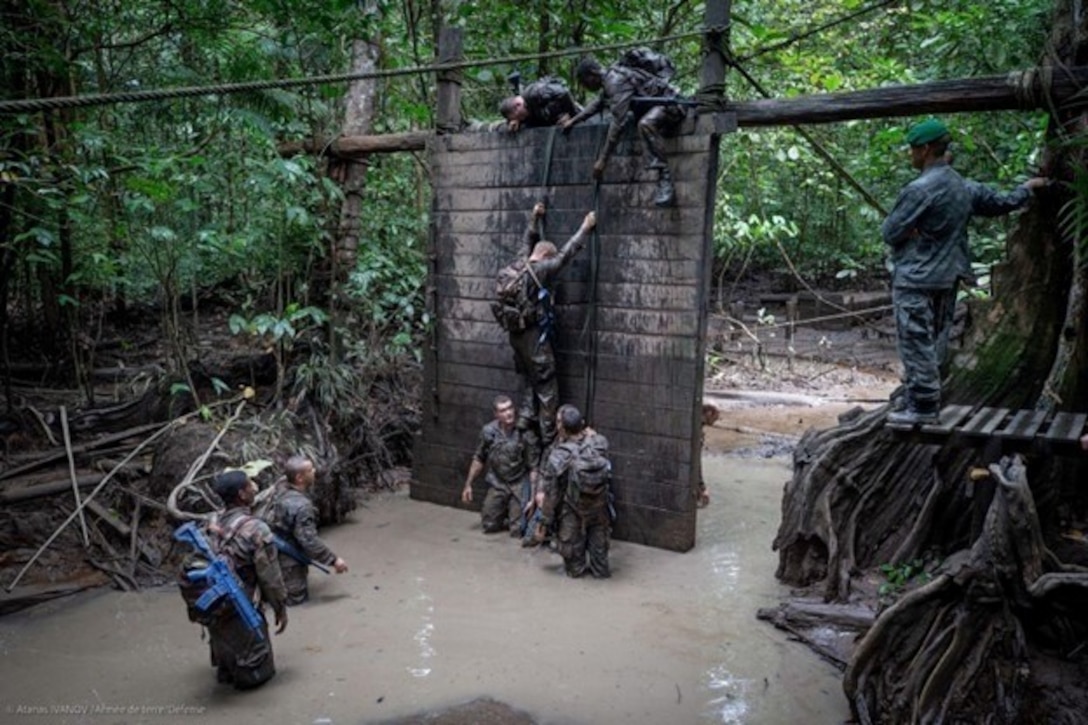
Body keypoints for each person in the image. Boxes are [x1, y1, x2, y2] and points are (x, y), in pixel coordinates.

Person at [883, 118, 1047, 425]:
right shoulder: (964, 187)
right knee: (937, 338)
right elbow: (1002, 202)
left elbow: (890, 232)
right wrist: (1028, 188)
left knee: (916, 339)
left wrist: (914, 229)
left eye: (913, 149)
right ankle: (923, 396)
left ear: (927, 149)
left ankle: (922, 406)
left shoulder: (918, 189)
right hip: (947, 277)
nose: (910, 155)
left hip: (916, 278)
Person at [494, 202, 596, 448]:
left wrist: (533, 217)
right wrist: (585, 227)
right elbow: (564, 257)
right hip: (535, 343)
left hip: (516, 340)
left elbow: (526, 241)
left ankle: (522, 432)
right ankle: (550, 446)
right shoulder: (541, 270)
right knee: (548, 393)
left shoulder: (515, 266)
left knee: (531, 383)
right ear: (545, 257)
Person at [562, 53, 686, 207]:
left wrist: (602, 160)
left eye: (584, 82)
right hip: (657, 106)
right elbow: (597, 104)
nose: (585, 87)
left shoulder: (615, 82)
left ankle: (665, 179)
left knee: (645, 124)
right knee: (643, 121)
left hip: (671, 104)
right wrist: (573, 121)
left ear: (592, 75)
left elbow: (618, 124)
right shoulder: (610, 78)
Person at [206, 470, 288, 689]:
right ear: (242, 494)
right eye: (250, 483)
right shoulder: (256, 528)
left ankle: (227, 671)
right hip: (243, 604)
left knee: (227, 670)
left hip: (217, 604)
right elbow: (270, 576)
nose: (254, 485)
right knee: (257, 676)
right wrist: (280, 606)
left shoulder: (212, 521)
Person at [535, 404, 613, 578]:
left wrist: (543, 524)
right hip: (599, 511)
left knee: (574, 569)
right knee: (601, 567)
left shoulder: (558, 456)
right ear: (582, 424)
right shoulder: (600, 443)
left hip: (572, 513)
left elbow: (552, 496)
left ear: (561, 427)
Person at [263, 455, 349, 606]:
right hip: (287, 558)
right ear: (299, 478)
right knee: (295, 600)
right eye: (310, 470)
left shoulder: (280, 487)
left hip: (271, 548)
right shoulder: (301, 506)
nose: (314, 471)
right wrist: (334, 560)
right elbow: (309, 541)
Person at [462, 394, 539, 537]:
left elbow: (534, 467)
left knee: (517, 531)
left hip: (518, 483)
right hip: (498, 482)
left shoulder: (525, 433)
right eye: (503, 410)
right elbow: (479, 458)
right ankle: (502, 511)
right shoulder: (489, 432)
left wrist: (532, 498)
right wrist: (468, 484)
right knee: (488, 525)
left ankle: (514, 512)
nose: (508, 413)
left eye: (510, 408)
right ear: (496, 414)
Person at [499, 76, 581, 132]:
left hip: (575, 116)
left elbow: (563, 92)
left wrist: (570, 114)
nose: (522, 118)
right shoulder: (525, 112)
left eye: (520, 117)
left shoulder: (535, 93)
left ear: (518, 105)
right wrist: (517, 121)